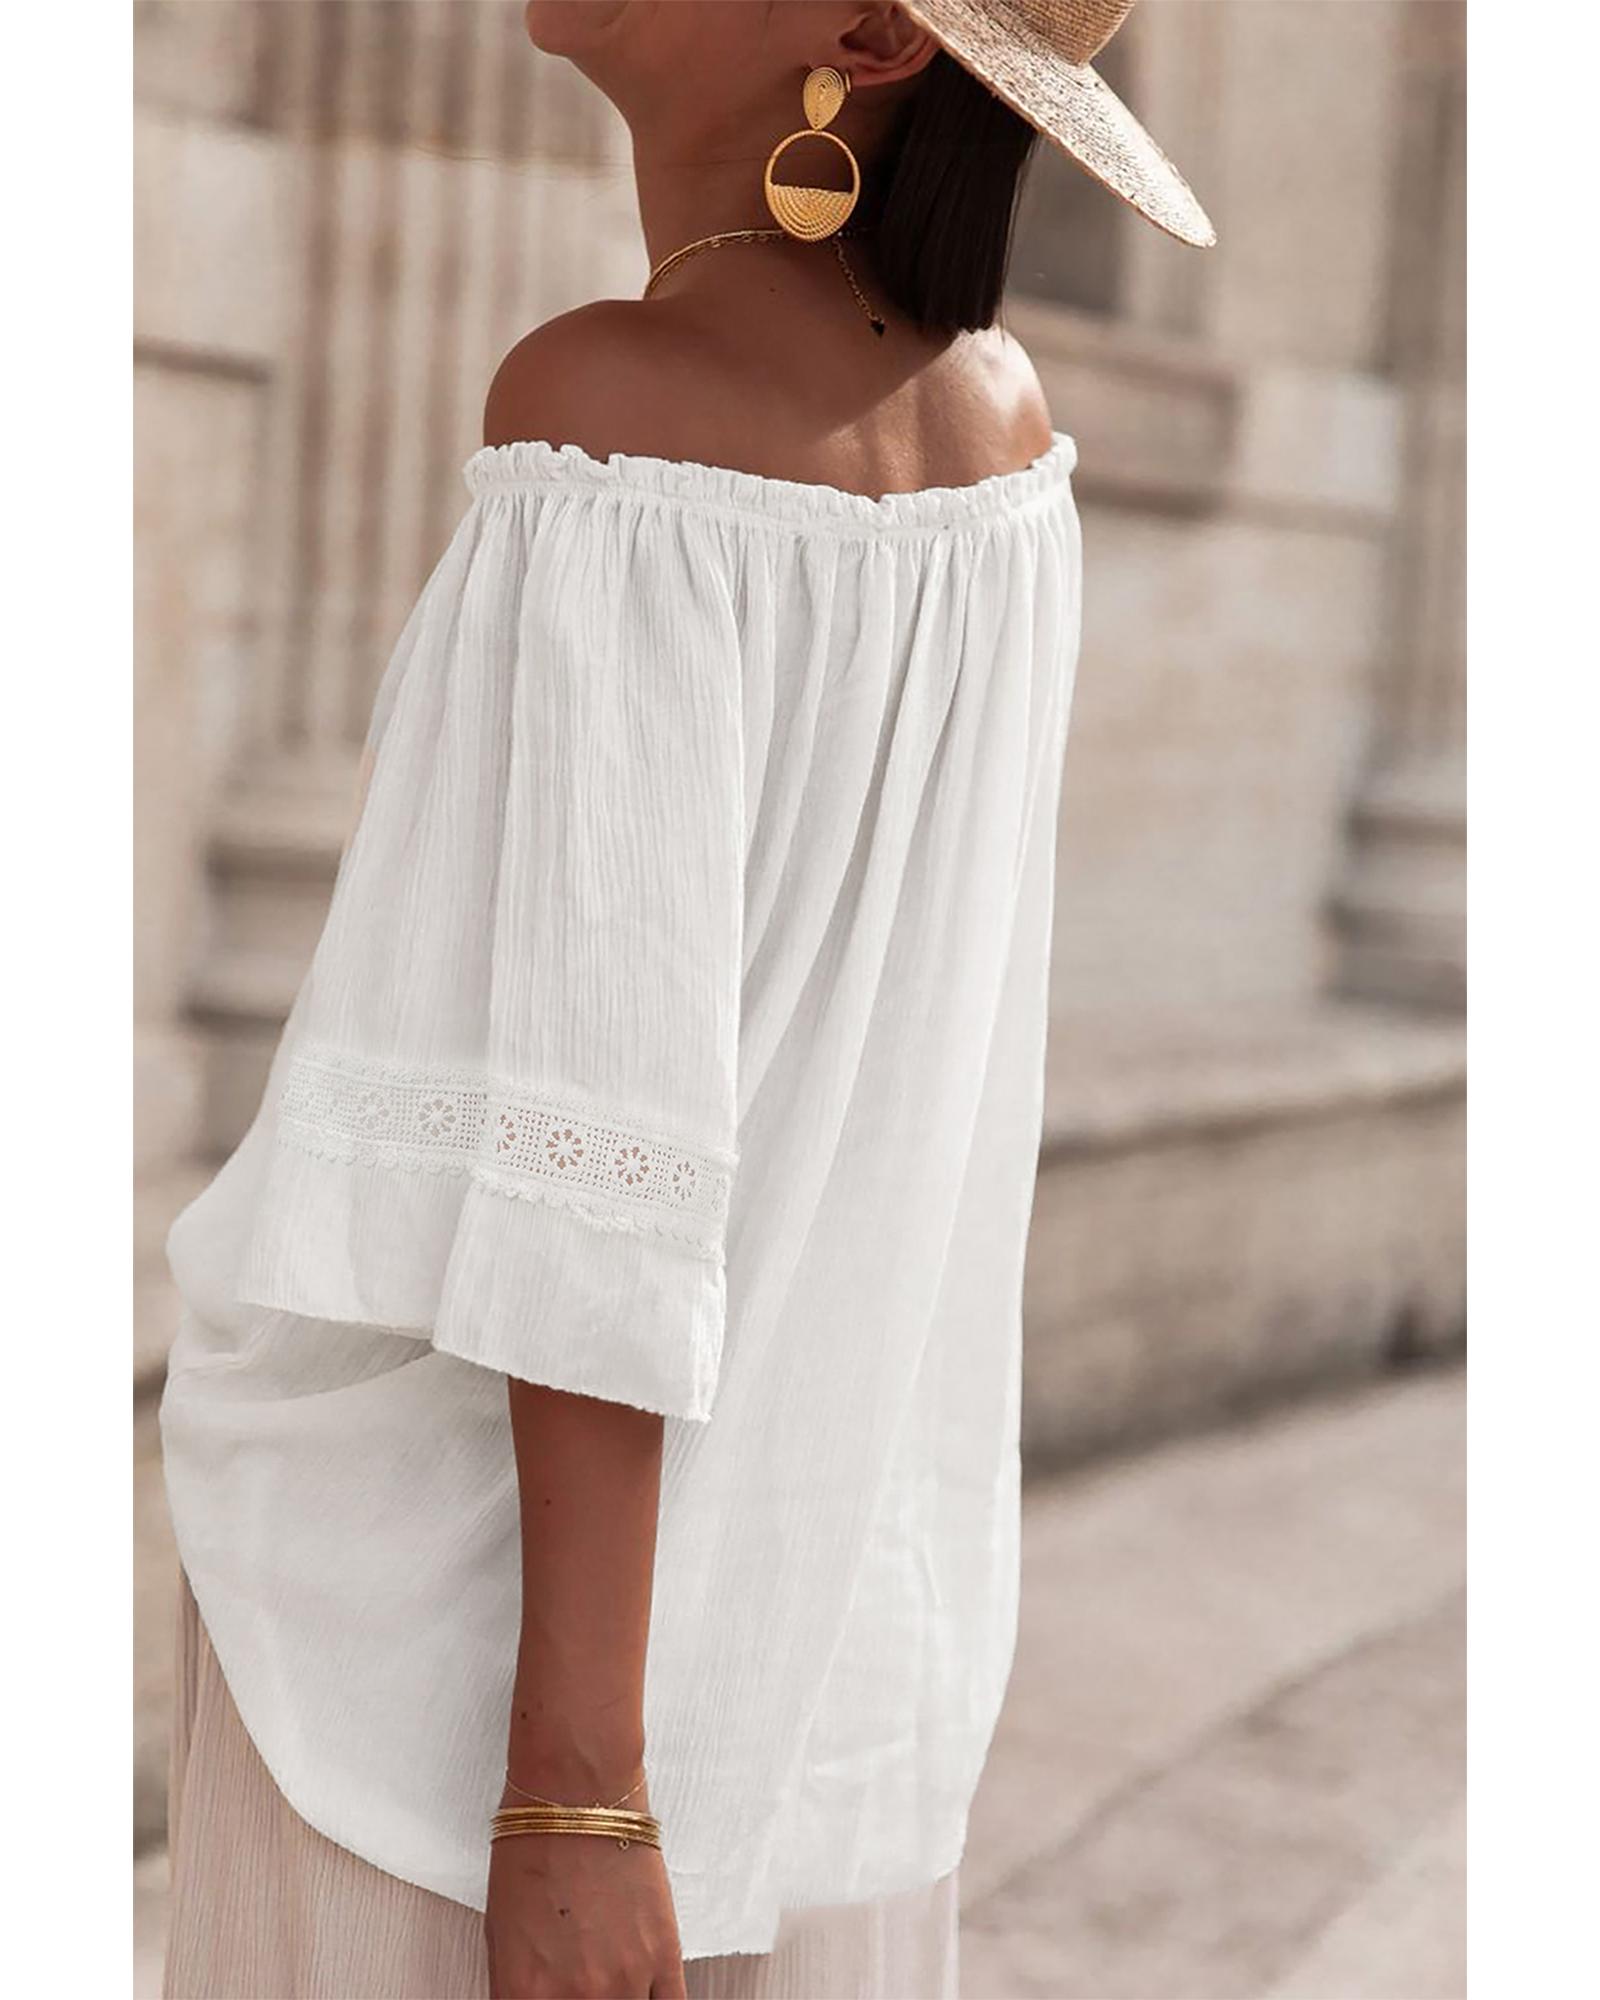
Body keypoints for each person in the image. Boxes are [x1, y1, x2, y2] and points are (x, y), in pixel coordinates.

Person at [156, 4, 1214, 1996]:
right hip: (815, 1663)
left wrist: (576, 1790)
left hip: (465, 1689)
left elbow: (601, 1169)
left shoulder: (615, 413)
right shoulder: (1005, 445)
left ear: (867, 38)